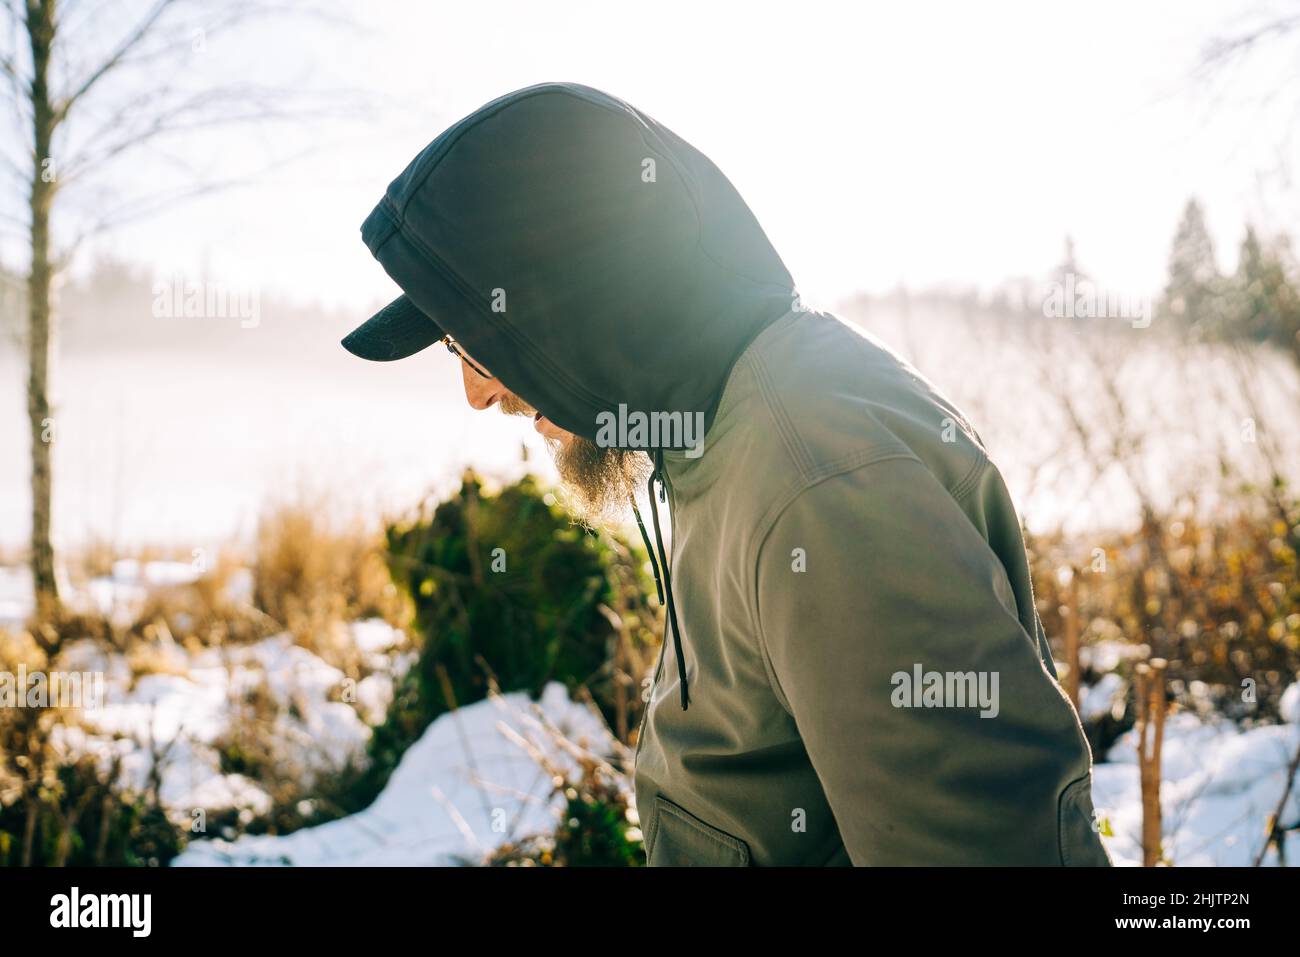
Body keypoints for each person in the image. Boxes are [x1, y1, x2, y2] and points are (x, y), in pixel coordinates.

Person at [341, 82, 1112, 867]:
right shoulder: (711, 431)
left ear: (578, 298)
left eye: (475, 340)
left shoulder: (817, 481)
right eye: (452, 350)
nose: (477, 392)